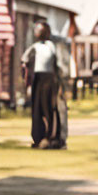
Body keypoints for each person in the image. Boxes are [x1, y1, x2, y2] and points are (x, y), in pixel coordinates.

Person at [22, 20, 67, 150]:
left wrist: (60, 83)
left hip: (50, 79)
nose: (37, 32)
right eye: (36, 30)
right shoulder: (35, 47)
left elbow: (59, 65)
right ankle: (39, 137)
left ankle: (52, 138)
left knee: (50, 109)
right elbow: (24, 61)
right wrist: (28, 81)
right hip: (38, 79)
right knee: (37, 109)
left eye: (39, 30)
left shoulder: (52, 46)